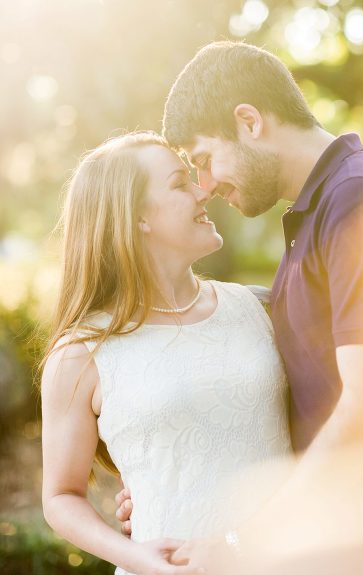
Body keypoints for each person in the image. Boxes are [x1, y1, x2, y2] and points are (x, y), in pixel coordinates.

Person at [115, 41, 363, 574]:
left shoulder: (357, 193)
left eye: (204, 160)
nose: (206, 186)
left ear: (249, 121)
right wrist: (166, 475)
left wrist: (242, 541)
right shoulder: (313, 213)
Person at [41, 131, 292, 575]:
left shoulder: (261, 307)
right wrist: (133, 555)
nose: (204, 190)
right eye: (180, 183)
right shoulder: (82, 353)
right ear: (136, 217)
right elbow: (61, 497)